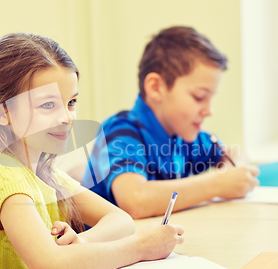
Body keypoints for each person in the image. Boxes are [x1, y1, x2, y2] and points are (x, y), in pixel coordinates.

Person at [0, 33, 184, 269]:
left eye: (70, 103)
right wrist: (141, 247)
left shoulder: (45, 172)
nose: (67, 117)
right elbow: (53, 268)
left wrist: (80, 242)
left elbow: (120, 220)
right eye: (48, 105)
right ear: (2, 113)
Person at [82, 26, 260, 219]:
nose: (209, 111)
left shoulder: (182, 135)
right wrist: (218, 183)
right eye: (199, 97)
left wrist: (234, 172)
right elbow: (135, 200)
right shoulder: (120, 132)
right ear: (156, 87)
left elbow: (232, 153)